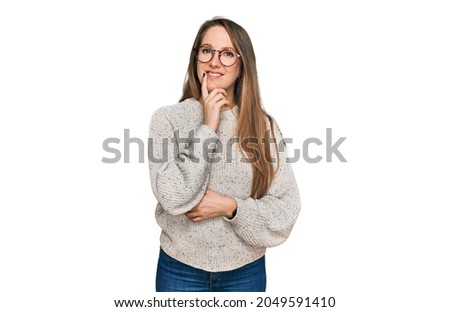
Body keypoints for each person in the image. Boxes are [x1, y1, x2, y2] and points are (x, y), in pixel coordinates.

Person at [148, 17, 301, 292]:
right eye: (206, 51)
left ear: (243, 66)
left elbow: (286, 210)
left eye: (228, 54)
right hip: (179, 270)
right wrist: (208, 126)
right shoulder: (167, 120)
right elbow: (172, 197)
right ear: (196, 57)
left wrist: (230, 206)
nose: (215, 62)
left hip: (246, 272)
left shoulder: (262, 126)